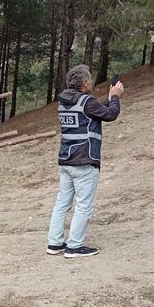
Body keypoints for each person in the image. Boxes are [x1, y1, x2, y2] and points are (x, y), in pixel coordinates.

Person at [46, 65, 124, 258]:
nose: (91, 81)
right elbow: (110, 114)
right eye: (89, 79)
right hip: (84, 160)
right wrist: (115, 97)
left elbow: (93, 110)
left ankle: (54, 243)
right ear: (84, 83)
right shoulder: (87, 101)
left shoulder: (64, 102)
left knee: (62, 203)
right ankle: (74, 246)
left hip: (66, 160)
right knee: (84, 205)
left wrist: (110, 97)